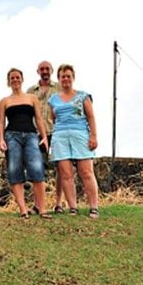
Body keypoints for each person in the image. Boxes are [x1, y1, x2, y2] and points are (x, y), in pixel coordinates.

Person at [0, 68, 51, 219]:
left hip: (31, 135)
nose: (15, 80)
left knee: (36, 168)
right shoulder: (4, 101)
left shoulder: (32, 98)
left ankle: (42, 209)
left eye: (17, 77)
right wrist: (1, 139)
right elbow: (1, 122)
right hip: (12, 136)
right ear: (8, 81)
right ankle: (23, 209)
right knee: (15, 169)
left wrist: (44, 137)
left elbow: (39, 119)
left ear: (22, 79)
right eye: (12, 78)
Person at [48, 64, 100, 219]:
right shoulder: (53, 99)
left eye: (68, 76)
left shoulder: (83, 96)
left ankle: (94, 207)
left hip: (80, 134)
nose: (66, 79)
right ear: (59, 79)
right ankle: (73, 207)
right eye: (63, 76)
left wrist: (93, 136)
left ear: (73, 78)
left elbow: (90, 117)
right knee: (65, 173)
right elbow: (53, 118)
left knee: (86, 172)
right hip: (60, 136)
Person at [27, 61, 64, 213]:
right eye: (42, 69)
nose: (45, 71)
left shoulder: (59, 88)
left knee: (61, 168)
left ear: (51, 70)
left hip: (56, 131)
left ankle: (59, 203)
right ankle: (38, 204)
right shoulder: (31, 90)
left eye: (47, 69)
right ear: (38, 71)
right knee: (38, 168)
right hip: (36, 132)